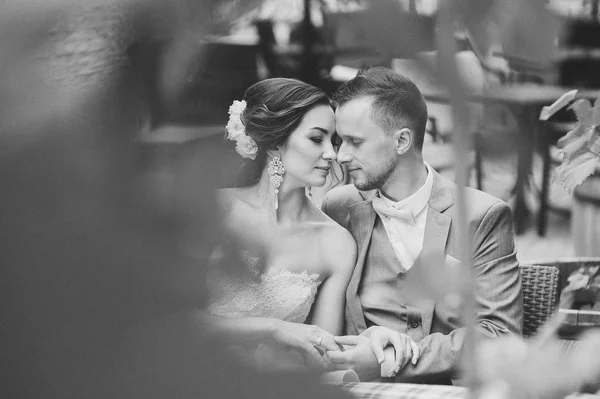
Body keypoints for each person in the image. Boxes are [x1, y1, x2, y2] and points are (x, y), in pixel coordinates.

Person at [321, 67, 523, 383]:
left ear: (402, 140)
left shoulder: (482, 215)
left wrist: (390, 361)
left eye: (355, 142)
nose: (340, 155)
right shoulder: (339, 207)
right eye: (338, 140)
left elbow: (501, 334)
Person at [203, 78, 412, 375]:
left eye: (334, 141)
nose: (332, 154)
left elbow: (321, 357)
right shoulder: (213, 211)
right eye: (317, 139)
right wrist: (272, 329)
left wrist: (372, 338)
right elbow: (162, 319)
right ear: (275, 142)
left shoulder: (336, 243)